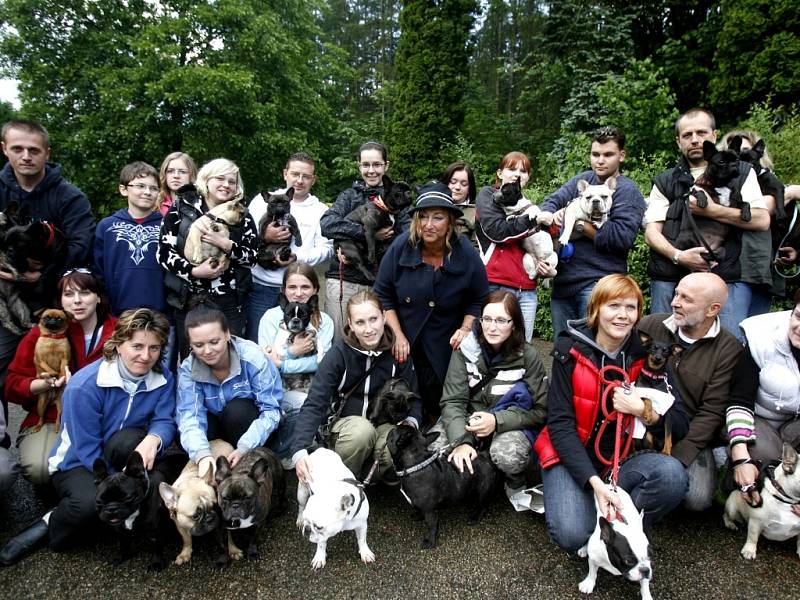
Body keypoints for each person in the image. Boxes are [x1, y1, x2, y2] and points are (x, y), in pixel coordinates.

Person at [0, 308, 174, 566]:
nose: (145, 356)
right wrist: (118, 486)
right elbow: (86, 448)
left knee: (137, 451)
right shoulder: (85, 385)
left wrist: (155, 438)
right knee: (90, 507)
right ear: (118, 344)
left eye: (154, 348)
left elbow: (164, 420)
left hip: (121, 449)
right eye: (137, 346)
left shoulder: (163, 378)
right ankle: (50, 521)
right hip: (79, 463)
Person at [534, 275, 689, 551]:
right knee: (572, 535)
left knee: (673, 476)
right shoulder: (567, 349)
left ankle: (622, 525)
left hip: (620, 460)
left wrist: (642, 410)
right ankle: (582, 498)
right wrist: (594, 482)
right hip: (571, 455)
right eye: (613, 306)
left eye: (631, 308)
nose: (622, 315)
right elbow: (559, 423)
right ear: (595, 309)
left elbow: (680, 424)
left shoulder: (648, 354)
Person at [0, 119, 95, 444]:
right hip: (3, 300)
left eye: (33, 149)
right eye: (17, 149)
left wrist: (41, 275)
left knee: (68, 371)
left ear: (46, 152)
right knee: (6, 372)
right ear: (4, 149)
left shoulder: (69, 197)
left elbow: (82, 245)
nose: (26, 155)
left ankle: (65, 432)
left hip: (53, 303)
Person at [643, 108, 770, 340]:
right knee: (661, 342)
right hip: (670, 273)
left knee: (727, 345)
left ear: (714, 135)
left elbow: (761, 220)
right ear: (678, 141)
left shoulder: (743, 172)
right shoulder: (665, 180)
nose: (694, 139)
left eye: (701, 132)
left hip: (727, 273)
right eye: (687, 135)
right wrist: (679, 256)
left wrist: (712, 210)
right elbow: (652, 232)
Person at [374, 181, 488, 421]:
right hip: (406, 341)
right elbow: (383, 294)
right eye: (423, 217)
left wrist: (466, 329)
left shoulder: (466, 252)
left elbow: (478, 298)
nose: (428, 225)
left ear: (450, 221)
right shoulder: (400, 247)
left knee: (443, 403)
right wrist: (397, 334)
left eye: (437, 218)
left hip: (446, 343)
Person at [638, 272, 743, 512]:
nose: (675, 302)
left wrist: (676, 457)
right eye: (676, 293)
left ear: (712, 309)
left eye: (687, 299)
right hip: (640, 420)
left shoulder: (728, 350)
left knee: (696, 499)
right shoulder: (652, 325)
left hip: (687, 434)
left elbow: (711, 413)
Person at [290, 291, 420, 484]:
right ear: (350, 324)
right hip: (347, 428)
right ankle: (342, 482)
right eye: (360, 322)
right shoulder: (338, 354)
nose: (368, 329)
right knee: (362, 432)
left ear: (384, 317)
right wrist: (299, 450)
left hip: (384, 425)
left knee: (398, 444)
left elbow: (414, 396)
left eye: (373, 319)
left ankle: (368, 476)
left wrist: (410, 422)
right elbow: (315, 402)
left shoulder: (397, 350)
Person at [4, 269, 118, 486]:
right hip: (51, 417)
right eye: (68, 294)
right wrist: (40, 384)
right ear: (60, 300)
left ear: (98, 296)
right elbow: (11, 386)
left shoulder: (119, 330)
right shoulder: (43, 332)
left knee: (113, 457)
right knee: (40, 468)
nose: (77, 301)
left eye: (84, 293)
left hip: (104, 416)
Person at [538, 127, 646, 339]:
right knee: (564, 352)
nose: (600, 161)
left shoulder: (627, 191)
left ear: (621, 155)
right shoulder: (583, 180)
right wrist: (550, 216)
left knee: (593, 352)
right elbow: (551, 202)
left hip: (599, 285)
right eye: (595, 154)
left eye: (608, 155)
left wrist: (579, 224)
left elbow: (621, 238)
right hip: (563, 284)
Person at [438, 291, 548, 490]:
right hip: (470, 419)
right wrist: (461, 442)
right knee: (434, 449)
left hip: (509, 422)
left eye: (501, 320)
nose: (492, 327)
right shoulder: (465, 349)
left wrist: (497, 421)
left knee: (507, 455)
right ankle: (475, 466)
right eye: (486, 319)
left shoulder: (528, 356)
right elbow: (453, 401)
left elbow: (541, 410)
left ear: (514, 324)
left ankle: (513, 481)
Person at [158, 158, 258, 359]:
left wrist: (226, 245)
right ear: (206, 179)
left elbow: (252, 257)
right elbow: (164, 252)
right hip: (189, 299)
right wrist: (193, 271)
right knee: (191, 360)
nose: (226, 185)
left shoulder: (242, 215)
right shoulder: (182, 207)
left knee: (230, 358)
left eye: (232, 181)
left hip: (230, 300)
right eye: (220, 179)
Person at [176, 301, 282, 475]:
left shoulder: (254, 358)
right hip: (214, 428)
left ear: (227, 334)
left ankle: (248, 465)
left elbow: (271, 411)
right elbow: (189, 415)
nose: (208, 351)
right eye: (199, 345)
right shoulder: (188, 369)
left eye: (214, 342)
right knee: (187, 429)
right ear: (190, 343)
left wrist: (245, 446)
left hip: (245, 425)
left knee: (238, 411)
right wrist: (202, 455)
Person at [320, 141, 411, 338]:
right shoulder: (349, 196)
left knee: (381, 343)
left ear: (386, 165)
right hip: (346, 280)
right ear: (359, 166)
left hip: (382, 282)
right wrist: (367, 233)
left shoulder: (398, 197)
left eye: (377, 164)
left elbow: (407, 239)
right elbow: (327, 224)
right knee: (341, 341)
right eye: (366, 165)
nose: (371, 170)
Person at [246, 152, 333, 342]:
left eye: (306, 176)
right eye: (295, 174)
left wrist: (298, 258)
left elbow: (327, 249)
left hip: (299, 292)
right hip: (262, 286)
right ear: (285, 173)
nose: (299, 180)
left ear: (313, 179)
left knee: (301, 345)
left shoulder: (321, 211)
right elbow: (244, 240)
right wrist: (264, 236)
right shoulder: (261, 202)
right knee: (257, 344)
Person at [725, 292, 800, 507]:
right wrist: (741, 456)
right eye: (798, 316)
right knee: (766, 457)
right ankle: (733, 478)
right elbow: (739, 400)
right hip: (758, 416)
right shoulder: (761, 337)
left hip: (795, 423)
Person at [258, 263, 334, 462]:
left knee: (317, 402)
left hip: (310, 385)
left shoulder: (324, 321)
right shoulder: (270, 318)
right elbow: (266, 363)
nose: (299, 293)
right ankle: (287, 450)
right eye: (292, 287)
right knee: (306, 405)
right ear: (283, 291)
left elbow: (321, 364)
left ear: (316, 290)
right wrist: (293, 352)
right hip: (279, 388)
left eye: (305, 287)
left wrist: (283, 362)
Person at [475, 151, 549, 342]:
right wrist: (533, 220)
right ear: (500, 173)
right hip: (494, 283)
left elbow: (546, 239)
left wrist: (544, 264)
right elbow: (498, 232)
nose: (517, 174)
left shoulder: (531, 207)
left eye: (523, 171)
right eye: (512, 168)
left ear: (528, 177)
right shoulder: (489, 196)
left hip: (527, 289)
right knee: (488, 346)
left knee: (522, 349)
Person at [719, 130, 786, 316]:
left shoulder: (769, 180)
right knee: (732, 334)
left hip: (763, 268)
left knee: (754, 333)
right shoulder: (721, 183)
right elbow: (765, 207)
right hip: (732, 267)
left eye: (747, 150)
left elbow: (773, 212)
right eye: (735, 151)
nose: (742, 156)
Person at [94, 161, 167, 315]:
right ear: (123, 189)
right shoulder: (107, 227)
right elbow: (97, 272)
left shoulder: (167, 226)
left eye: (154, 188)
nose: (148, 192)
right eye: (140, 186)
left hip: (161, 315)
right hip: (117, 313)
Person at [440, 161, 478, 245]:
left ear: (469, 189)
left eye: (464, 184)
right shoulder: (432, 208)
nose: (457, 187)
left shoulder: (477, 214)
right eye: (453, 182)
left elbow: (476, 248)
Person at [157, 152, 197, 217]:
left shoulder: (201, 204)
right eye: (170, 171)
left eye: (183, 172)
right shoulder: (154, 203)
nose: (176, 176)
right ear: (164, 174)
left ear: (191, 176)